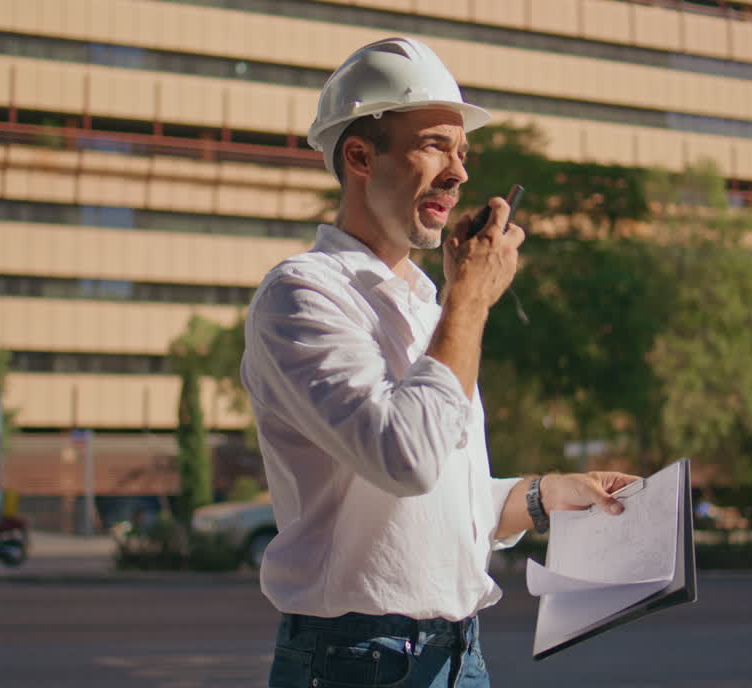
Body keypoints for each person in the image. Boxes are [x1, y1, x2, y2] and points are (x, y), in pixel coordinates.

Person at [241, 36, 639, 688]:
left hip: (460, 659)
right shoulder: (302, 295)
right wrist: (470, 300)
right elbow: (405, 459)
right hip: (357, 664)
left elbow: (436, 504)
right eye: (434, 146)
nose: (458, 174)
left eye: (463, 153)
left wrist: (545, 496)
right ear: (361, 156)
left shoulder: (429, 305)